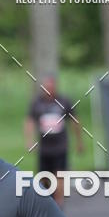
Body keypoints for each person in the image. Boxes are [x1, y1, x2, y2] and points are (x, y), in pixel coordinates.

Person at [24, 75, 84, 207]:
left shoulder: (64, 101)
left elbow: (75, 121)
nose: (48, 90)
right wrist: (29, 140)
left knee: (59, 175)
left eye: (51, 87)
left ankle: (58, 204)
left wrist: (79, 142)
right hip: (44, 148)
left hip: (60, 146)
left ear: (55, 87)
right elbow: (30, 122)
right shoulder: (37, 103)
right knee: (44, 178)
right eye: (46, 87)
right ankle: (47, 201)